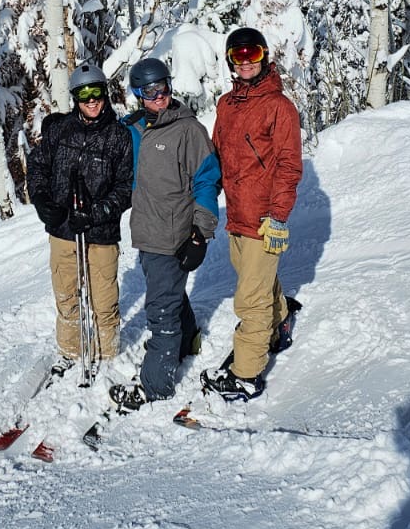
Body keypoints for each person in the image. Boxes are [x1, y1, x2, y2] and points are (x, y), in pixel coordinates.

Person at [110, 56, 221, 411]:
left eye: (164, 88)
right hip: (147, 231)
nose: (160, 96)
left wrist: (200, 234)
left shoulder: (188, 131)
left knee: (160, 310)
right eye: (150, 91)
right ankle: (186, 339)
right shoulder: (137, 129)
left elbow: (207, 182)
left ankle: (156, 385)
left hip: (172, 235)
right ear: (137, 94)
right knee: (168, 293)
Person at [202, 26, 303, 402]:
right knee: (258, 285)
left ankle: (246, 375)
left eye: (253, 55)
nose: (246, 63)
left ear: (264, 58)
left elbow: (289, 166)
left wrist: (278, 216)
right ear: (231, 60)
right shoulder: (226, 105)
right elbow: (218, 158)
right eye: (239, 56)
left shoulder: (280, 107)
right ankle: (277, 328)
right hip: (237, 219)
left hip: (264, 221)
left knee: (250, 300)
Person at [25, 62, 134, 372]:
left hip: (101, 233)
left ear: (105, 94)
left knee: (103, 302)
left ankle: (106, 355)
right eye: (84, 95)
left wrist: (96, 212)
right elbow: (38, 167)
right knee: (67, 298)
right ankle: (71, 352)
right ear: (75, 98)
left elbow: (126, 187)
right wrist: (43, 201)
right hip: (62, 230)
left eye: (97, 93)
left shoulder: (118, 137)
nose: (92, 101)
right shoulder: (59, 130)